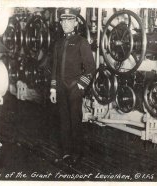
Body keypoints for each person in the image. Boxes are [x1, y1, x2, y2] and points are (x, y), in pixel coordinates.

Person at [49, 7, 96, 165]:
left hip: (75, 88)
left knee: (75, 121)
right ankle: (67, 152)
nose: (66, 24)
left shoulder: (81, 42)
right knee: (63, 121)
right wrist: (53, 88)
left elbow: (90, 68)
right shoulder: (58, 43)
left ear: (76, 23)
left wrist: (80, 87)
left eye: (69, 20)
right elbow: (55, 67)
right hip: (61, 88)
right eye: (63, 20)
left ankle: (78, 153)